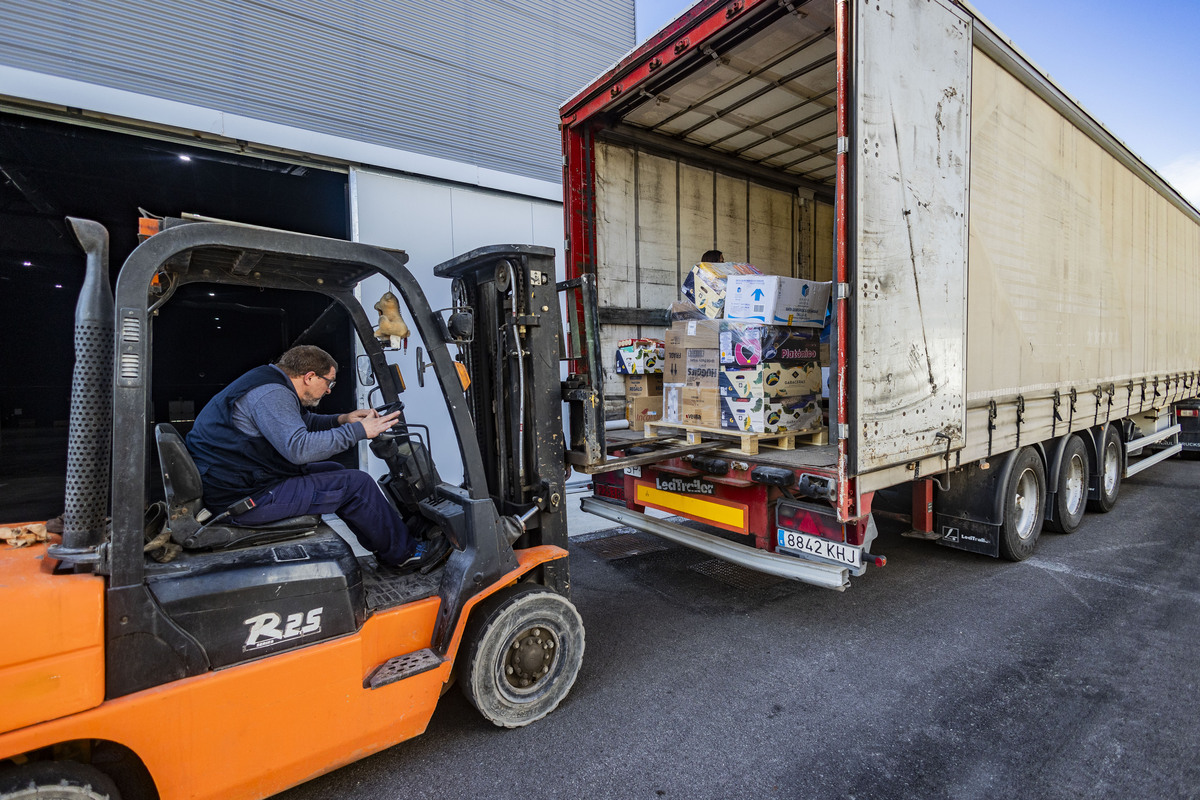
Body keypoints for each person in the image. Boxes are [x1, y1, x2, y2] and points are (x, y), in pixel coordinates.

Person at [186, 345, 446, 570]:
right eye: (329, 382)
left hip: (244, 481)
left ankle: (388, 543)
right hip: (245, 499)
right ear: (309, 376)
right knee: (356, 484)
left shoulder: (269, 382)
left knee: (333, 470)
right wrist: (359, 431)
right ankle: (405, 555)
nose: (330, 390)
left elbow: (300, 421)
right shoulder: (271, 394)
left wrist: (342, 419)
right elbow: (299, 449)